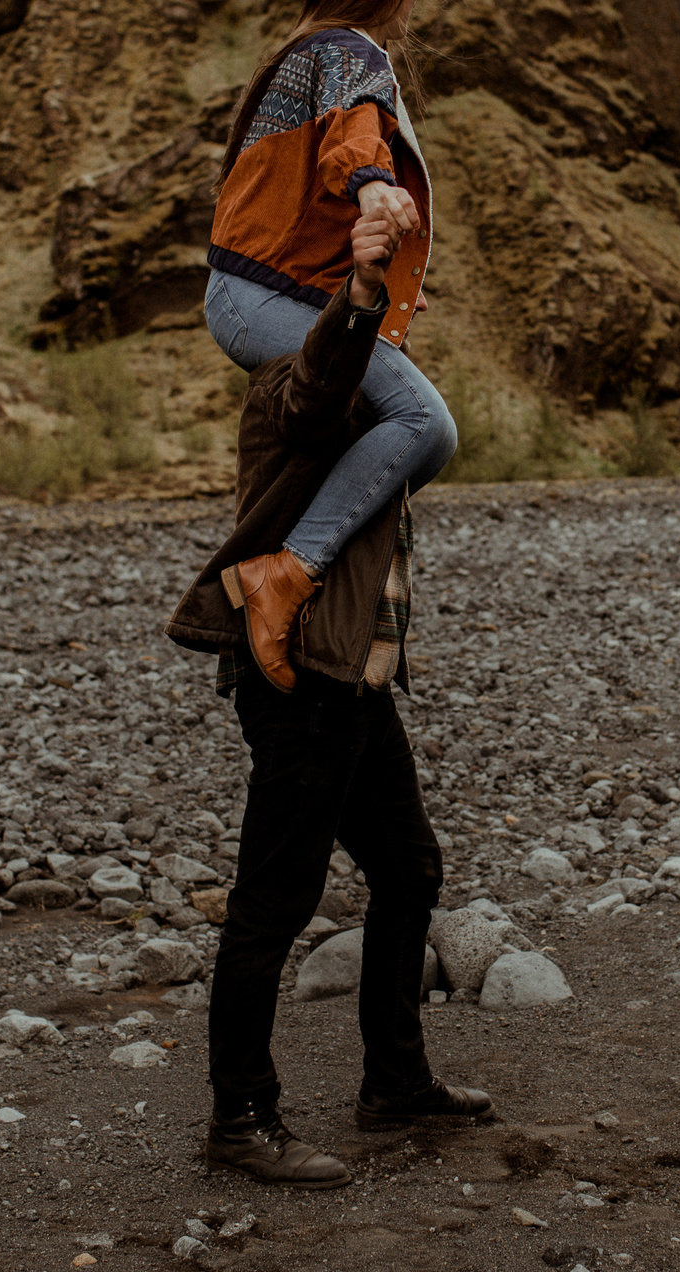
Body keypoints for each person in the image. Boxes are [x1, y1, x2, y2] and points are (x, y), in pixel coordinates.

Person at [164, 183, 493, 1189]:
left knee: (409, 870)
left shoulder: (378, 403)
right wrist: (359, 289)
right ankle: (240, 1118)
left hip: (353, 683)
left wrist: (386, 294)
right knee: (274, 898)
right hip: (299, 679)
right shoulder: (292, 387)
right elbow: (321, 379)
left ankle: (394, 1085)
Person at [202, 0, 457, 694]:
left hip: (244, 294)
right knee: (425, 423)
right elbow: (355, 142)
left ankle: (295, 565)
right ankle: (285, 573)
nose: (415, 3)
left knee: (387, 423)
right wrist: (375, 188)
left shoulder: (298, 56)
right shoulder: (352, 53)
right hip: (267, 297)